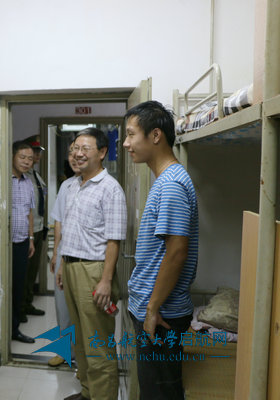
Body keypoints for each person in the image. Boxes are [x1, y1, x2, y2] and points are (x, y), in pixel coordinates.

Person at [123, 101, 199, 400]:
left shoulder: (171, 185)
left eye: (131, 134)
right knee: (155, 390)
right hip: (155, 309)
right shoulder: (166, 180)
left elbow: (177, 252)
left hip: (161, 315)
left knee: (160, 393)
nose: (126, 143)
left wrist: (152, 309)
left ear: (155, 135)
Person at [56, 128, 127, 400]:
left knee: (98, 344)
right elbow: (69, 231)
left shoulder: (110, 189)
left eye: (85, 148)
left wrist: (106, 280)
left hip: (94, 271)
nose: (78, 153)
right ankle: (87, 392)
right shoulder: (73, 185)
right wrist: (62, 264)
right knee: (81, 339)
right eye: (75, 148)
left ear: (102, 152)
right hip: (71, 267)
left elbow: (114, 240)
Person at [47, 144, 81, 367]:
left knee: (84, 309)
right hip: (64, 253)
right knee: (63, 306)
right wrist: (55, 253)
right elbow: (58, 221)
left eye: (81, 151)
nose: (75, 157)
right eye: (71, 153)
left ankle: (85, 357)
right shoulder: (66, 185)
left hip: (87, 258)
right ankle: (66, 350)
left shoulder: (105, 186)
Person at [10, 140, 37, 344]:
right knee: (6, 287)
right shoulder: (4, 180)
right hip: (6, 245)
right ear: (12, 156)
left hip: (22, 242)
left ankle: (15, 328)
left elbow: (29, 213)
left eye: (30, 159)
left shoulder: (28, 182)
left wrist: (31, 239)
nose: (27, 162)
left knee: (19, 287)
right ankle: (6, 328)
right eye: (22, 157)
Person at [21, 138, 47, 321]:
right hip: (27, 231)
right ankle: (20, 307)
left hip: (38, 228)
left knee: (32, 271)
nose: (37, 155)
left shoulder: (36, 175)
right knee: (24, 272)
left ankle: (28, 303)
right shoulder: (21, 176)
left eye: (38, 152)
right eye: (34, 151)